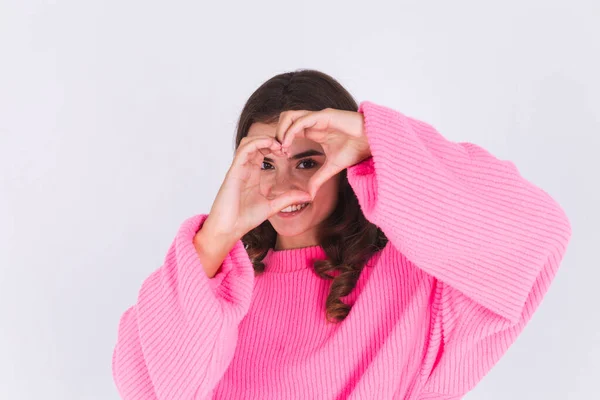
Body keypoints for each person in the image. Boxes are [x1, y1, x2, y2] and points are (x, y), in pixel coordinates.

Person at [111, 69, 572, 399]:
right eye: (265, 164)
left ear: (343, 163)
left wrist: (376, 143)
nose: (284, 187)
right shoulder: (213, 292)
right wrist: (217, 236)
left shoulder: (414, 275)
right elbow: (148, 389)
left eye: (308, 161)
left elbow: (538, 233)